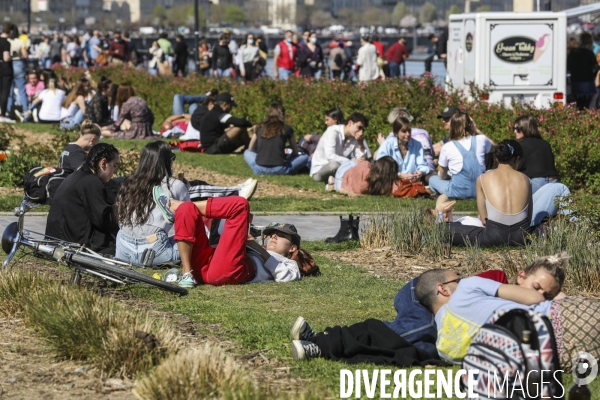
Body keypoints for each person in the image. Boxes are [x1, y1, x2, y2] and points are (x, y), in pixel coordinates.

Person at [418, 258, 600, 371]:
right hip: (567, 319)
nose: (462, 280)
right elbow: (534, 297)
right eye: (457, 279)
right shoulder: (467, 287)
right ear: (442, 289)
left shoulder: (443, 350)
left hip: (562, 358)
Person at [151, 189, 306, 288]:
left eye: (281, 235)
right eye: (272, 233)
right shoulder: (256, 248)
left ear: (293, 247)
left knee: (240, 205)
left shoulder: (289, 264)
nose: (274, 236)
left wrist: (255, 246)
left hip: (227, 271)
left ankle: (177, 206)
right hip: (202, 270)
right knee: (188, 212)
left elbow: (284, 277)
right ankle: (186, 273)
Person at [447, 140, 533, 247]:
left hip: (493, 237)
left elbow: (484, 220)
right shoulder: (527, 180)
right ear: (518, 158)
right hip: (522, 237)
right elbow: (528, 219)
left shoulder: (482, 179)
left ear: (496, 158)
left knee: (444, 229)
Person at [46, 143, 120, 255]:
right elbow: (103, 219)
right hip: (71, 245)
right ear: (103, 163)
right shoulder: (92, 181)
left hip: (54, 241)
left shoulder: (77, 176)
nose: (115, 172)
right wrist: (121, 210)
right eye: (114, 165)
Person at [428, 111, 493, 210]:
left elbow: (442, 176)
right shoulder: (481, 139)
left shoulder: (447, 146)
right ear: (470, 125)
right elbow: (493, 147)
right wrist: (476, 129)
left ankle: (439, 193)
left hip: (457, 191)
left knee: (432, 179)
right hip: (480, 190)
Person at [243, 103, 308, 175]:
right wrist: (288, 157)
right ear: (282, 114)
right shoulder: (287, 128)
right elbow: (295, 152)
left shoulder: (259, 127)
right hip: (280, 169)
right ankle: (289, 170)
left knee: (247, 152)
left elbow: (250, 148)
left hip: (259, 169)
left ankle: (256, 166)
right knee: (304, 156)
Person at [310, 112, 370, 182]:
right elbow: (330, 155)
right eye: (359, 127)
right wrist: (350, 162)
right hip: (321, 169)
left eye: (363, 129)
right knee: (334, 165)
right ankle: (341, 180)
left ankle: (335, 181)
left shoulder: (354, 137)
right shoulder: (333, 131)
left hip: (340, 167)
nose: (361, 132)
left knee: (363, 166)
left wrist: (360, 145)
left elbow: (361, 160)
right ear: (350, 123)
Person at [514, 115, 559, 194]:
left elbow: (516, 166)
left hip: (535, 182)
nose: (515, 131)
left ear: (525, 128)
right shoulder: (545, 143)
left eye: (517, 129)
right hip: (553, 181)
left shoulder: (521, 145)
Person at [329, 156, 399, 197]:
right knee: (339, 187)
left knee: (364, 164)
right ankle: (334, 182)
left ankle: (333, 181)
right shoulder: (365, 176)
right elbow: (395, 189)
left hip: (348, 171)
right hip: (344, 170)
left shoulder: (369, 175)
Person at [567, 32, 597, 110]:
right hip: (588, 82)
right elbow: (595, 67)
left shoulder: (573, 52)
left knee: (577, 105)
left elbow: (568, 66)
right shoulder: (589, 53)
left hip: (575, 82)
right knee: (587, 105)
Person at [6, 25, 28, 118]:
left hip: (9, 64)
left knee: (9, 92)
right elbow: (25, 55)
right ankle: (26, 111)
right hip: (18, 64)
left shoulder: (7, 41)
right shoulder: (20, 42)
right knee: (22, 90)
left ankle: (8, 111)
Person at [0, 23, 13, 123]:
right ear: (10, 31)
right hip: (4, 69)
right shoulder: (6, 43)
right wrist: (13, 57)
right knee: (4, 92)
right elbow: (6, 57)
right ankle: (3, 114)